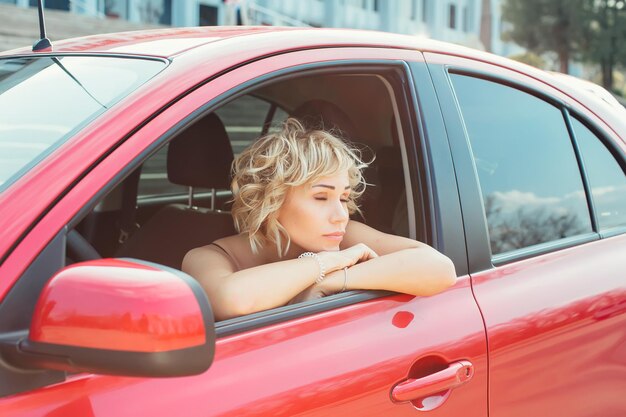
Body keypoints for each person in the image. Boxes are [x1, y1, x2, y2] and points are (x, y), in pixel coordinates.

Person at [182, 118, 456, 321]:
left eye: (344, 198)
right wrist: (324, 264)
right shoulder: (208, 257)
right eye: (321, 198)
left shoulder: (344, 235)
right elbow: (234, 300)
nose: (340, 216)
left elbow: (440, 269)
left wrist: (332, 281)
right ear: (272, 200)